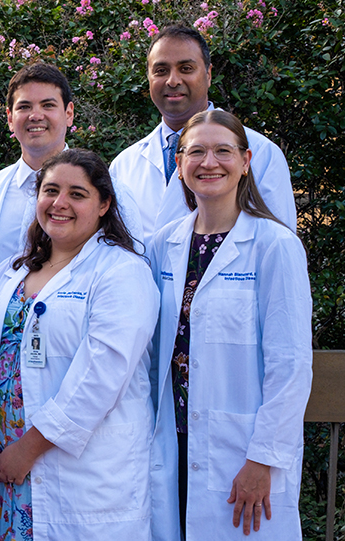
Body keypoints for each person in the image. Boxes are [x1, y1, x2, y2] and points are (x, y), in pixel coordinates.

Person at [148, 110, 311, 540]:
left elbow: (290, 364)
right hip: (171, 443)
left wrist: (263, 460)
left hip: (240, 453)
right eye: (196, 152)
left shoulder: (275, 245)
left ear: (246, 161)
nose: (209, 162)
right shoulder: (162, 246)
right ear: (179, 165)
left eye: (223, 151)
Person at [0, 149, 157, 540]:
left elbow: (100, 376)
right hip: (3, 473)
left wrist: (28, 448)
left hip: (76, 476)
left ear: (104, 204)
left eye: (77, 194)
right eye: (51, 190)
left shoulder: (122, 272)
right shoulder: (12, 271)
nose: (60, 204)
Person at [109, 24, 296, 241]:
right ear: (149, 78)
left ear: (208, 75)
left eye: (186, 68)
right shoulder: (123, 166)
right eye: (161, 71)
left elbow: (280, 248)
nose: (173, 80)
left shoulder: (262, 153)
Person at [0, 62, 143, 291]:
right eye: (24, 107)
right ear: (10, 118)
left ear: (69, 114)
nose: (35, 115)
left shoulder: (112, 193)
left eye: (47, 105)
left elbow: (133, 278)